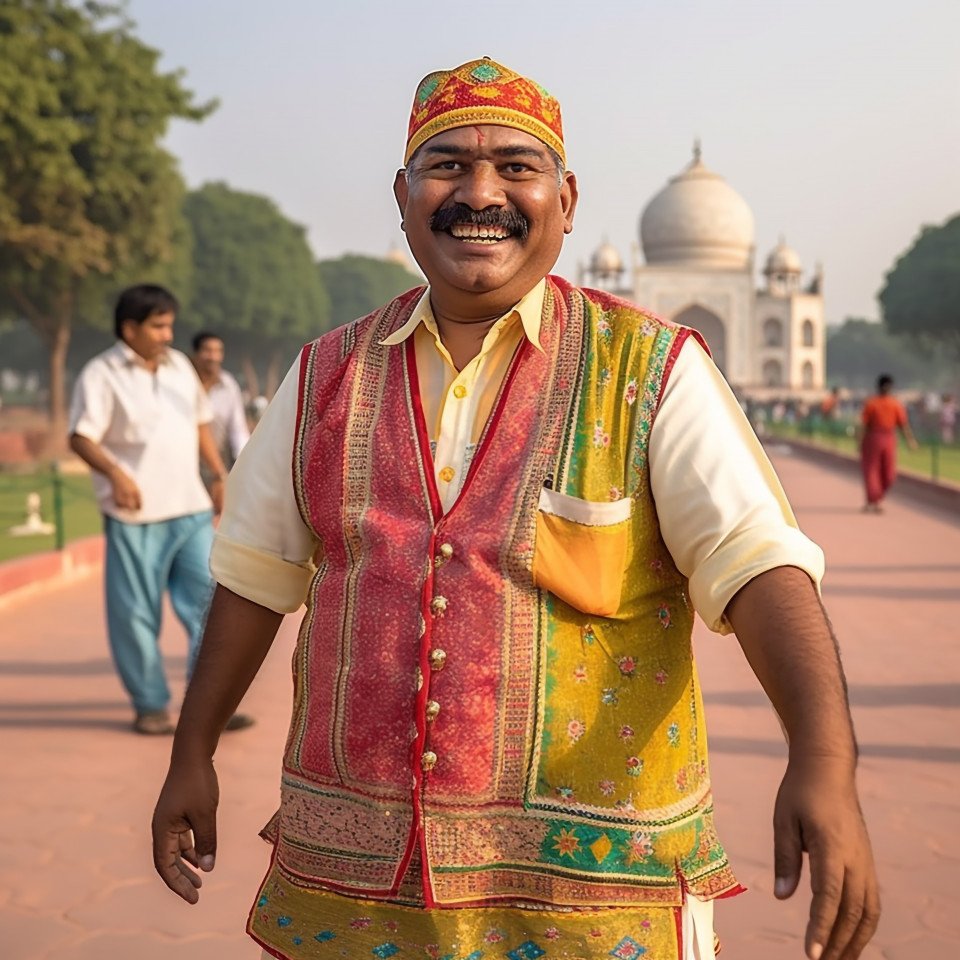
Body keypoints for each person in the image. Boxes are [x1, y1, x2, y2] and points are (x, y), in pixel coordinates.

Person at [152, 59, 879, 960]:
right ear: (404, 193)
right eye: (448, 165)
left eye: (516, 169)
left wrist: (824, 760)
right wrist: (194, 751)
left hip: (590, 899)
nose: (480, 193)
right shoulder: (325, 376)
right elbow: (254, 581)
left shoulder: (649, 372)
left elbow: (759, 564)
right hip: (358, 884)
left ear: (566, 201)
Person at [68, 284, 252, 734]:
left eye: (170, 324)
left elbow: (200, 423)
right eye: (158, 325)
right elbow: (80, 436)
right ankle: (150, 703)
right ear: (129, 328)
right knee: (135, 615)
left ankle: (207, 704)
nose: (169, 334)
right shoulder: (101, 373)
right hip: (135, 515)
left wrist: (217, 473)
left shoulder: (179, 369)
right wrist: (116, 475)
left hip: (188, 508)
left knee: (211, 603)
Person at [190, 331, 250, 493]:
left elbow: (237, 429)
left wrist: (244, 463)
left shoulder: (228, 385)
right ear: (196, 353)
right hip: (186, 463)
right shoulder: (184, 382)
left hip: (217, 464)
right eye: (208, 351)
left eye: (218, 351)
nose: (213, 357)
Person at [859, 373, 917, 513]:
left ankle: (875, 498)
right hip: (873, 436)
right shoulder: (872, 403)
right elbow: (864, 424)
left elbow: (903, 424)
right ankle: (874, 500)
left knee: (889, 474)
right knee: (872, 470)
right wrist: (860, 440)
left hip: (889, 437)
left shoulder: (895, 404)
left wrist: (910, 441)